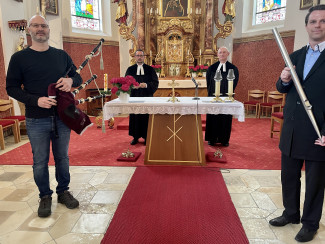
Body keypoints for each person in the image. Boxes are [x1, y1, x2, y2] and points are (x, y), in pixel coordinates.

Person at [6, 15, 81, 218]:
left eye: (44, 26)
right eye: (36, 25)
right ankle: (45, 195)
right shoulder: (19, 58)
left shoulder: (61, 55)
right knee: (40, 161)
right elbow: (11, 87)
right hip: (36, 118)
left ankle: (63, 192)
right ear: (29, 29)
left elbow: (78, 76)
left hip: (62, 116)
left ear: (48, 30)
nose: (40, 29)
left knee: (62, 158)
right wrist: (35, 100)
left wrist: (69, 81)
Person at [269, 5, 325, 243]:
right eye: (313, 21)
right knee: (288, 176)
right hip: (292, 130)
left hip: (317, 130)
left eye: (323, 21)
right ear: (306, 26)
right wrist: (282, 80)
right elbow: (282, 88)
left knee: (315, 183)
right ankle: (290, 213)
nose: (318, 25)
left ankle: (310, 223)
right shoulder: (296, 55)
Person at [205, 46, 239, 147]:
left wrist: (227, 92)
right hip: (213, 97)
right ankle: (212, 139)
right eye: (220, 52)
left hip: (226, 98)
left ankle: (224, 140)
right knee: (213, 117)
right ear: (217, 54)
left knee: (225, 117)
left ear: (228, 54)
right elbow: (208, 83)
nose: (222, 54)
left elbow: (235, 82)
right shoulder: (212, 68)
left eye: (224, 52)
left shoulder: (233, 68)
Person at [125, 50, 159, 145]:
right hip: (134, 97)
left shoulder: (150, 69)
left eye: (141, 55)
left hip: (146, 96)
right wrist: (132, 86)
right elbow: (125, 82)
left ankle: (146, 137)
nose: (139, 57)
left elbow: (155, 82)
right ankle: (135, 137)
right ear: (135, 57)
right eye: (137, 55)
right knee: (135, 116)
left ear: (144, 57)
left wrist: (146, 85)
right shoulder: (130, 69)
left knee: (146, 117)